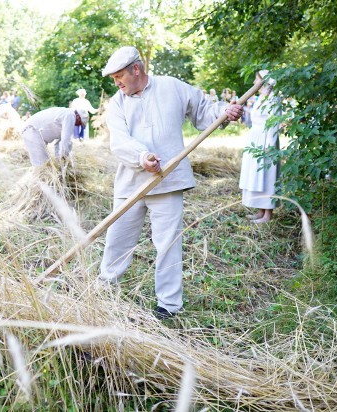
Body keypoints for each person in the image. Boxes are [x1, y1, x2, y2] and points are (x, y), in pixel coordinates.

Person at [98, 46, 243, 320]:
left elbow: (203, 112)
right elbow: (118, 141)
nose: (117, 83)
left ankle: (168, 306)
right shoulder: (117, 103)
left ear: (136, 69)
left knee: (167, 244)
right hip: (131, 183)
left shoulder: (172, 87)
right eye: (114, 78)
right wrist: (142, 157)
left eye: (119, 76)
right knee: (116, 240)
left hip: (168, 181)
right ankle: (104, 290)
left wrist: (225, 111)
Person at [239, 70, 280, 224]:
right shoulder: (260, 97)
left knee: (267, 176)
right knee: (257, 176)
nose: (254, 82)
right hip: (255, 138)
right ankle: (260, 211)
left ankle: (268, 214)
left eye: (256, 79)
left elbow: (274, 122)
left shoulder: (274, 98)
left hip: (266, 140)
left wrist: (270, 145)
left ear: (264, 81)